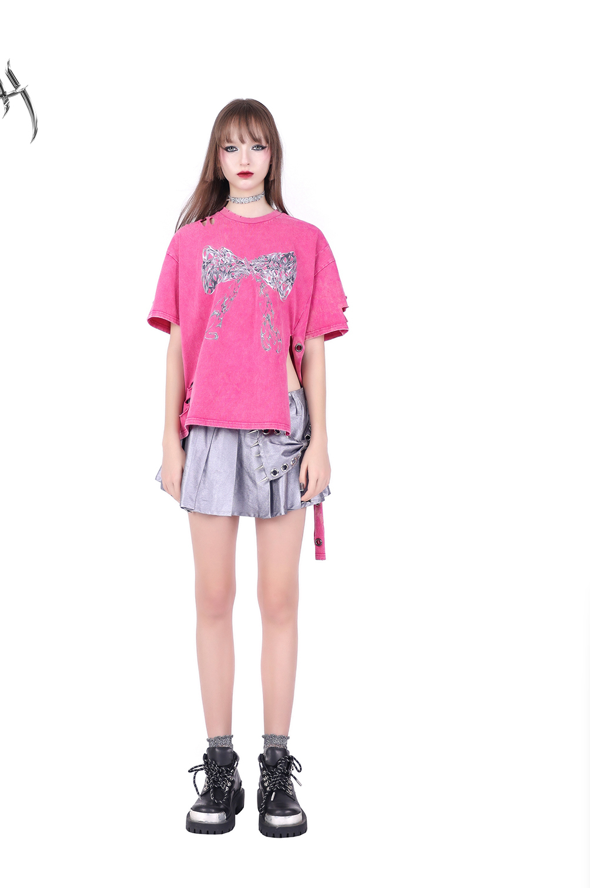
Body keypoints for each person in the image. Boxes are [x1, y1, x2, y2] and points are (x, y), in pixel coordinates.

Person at [147, 98, 349, 838]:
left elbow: (315, 349)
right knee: (211, 596)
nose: (244, 159)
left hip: (280, 434)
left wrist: (321, 441)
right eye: (231, 146)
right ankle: (220, 764)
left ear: (273, 156)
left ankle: (275, 769)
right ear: (216, 156)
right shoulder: (191, 244)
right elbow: (177, 345)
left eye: (257, 145)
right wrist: (169, 443)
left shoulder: (306, 241)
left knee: (279, 600)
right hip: (207, 429)